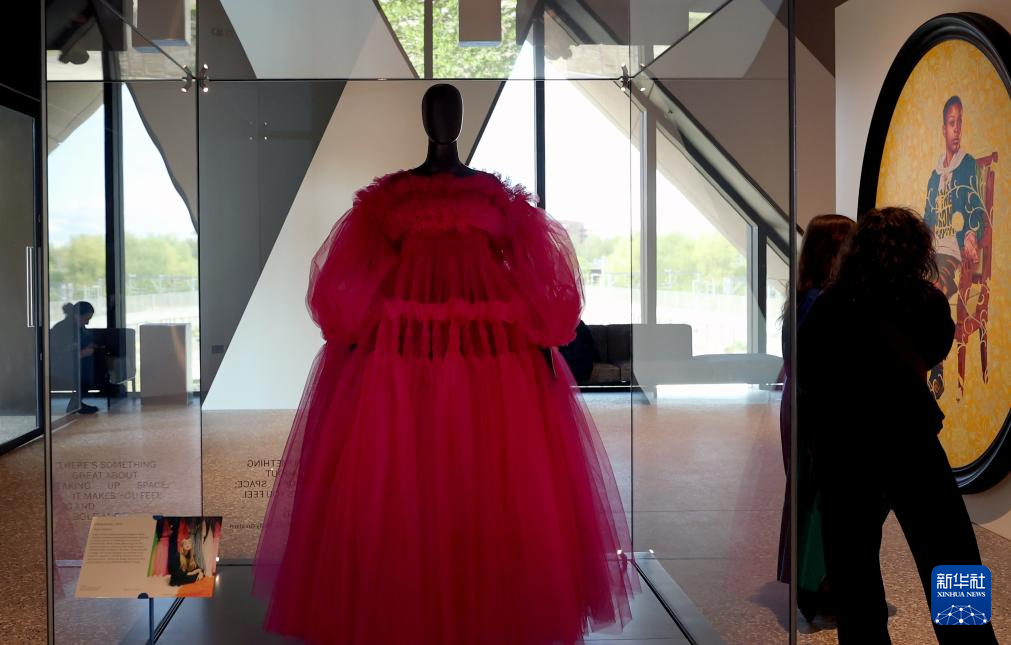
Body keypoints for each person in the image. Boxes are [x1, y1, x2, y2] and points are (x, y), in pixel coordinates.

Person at [253, 84, 636, 645]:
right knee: (407, 464)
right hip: (405, 347)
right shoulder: (391, 198)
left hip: (487, 349)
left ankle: (488, 598)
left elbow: (540, 259)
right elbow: (349, 270)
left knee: (487, 465)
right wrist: (351, 333)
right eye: (435, 112)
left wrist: (543, 333)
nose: (443, 121)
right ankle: (411, 597)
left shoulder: (493, 197)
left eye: (450, 111)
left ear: (459, 120)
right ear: (423, 119)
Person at [798, 207, 996, 644]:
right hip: (910, 444)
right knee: (953, 559)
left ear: (857, 249)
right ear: (917, 251)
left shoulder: (829, 305)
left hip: (845, 452)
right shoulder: (925, 302)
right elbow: (936, 348)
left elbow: (809, 371)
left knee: (854, 576)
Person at [776, 214, 855, 622]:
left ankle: (814, 586)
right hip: (818, 409)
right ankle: (820, 587)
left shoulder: (803, 298)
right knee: (822, 499)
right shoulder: (823, 302)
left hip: (801, 403)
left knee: (809, 495)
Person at [923, 95, 986, 400]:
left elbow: (977, 209)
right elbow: (927, 220)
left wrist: (972, 235)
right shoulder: (935, 176)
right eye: (952, 123)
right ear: (943, 128)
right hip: (933, 252)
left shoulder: (968, 165)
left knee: (933, 286)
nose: (957, 128)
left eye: (960, 122)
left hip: (953, 253)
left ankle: (935, 369)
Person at [49, 301, 99, 414]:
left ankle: (76, 402)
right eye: (86, 319)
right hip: (61, 366)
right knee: (89, 369)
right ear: (77, 315)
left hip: (75, 363)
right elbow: (58, 354)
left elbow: (82, 343)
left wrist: (89, 347)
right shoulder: (61, 329)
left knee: (94, 364)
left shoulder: (80, 328)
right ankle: (75, 403)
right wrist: (82, 353)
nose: (87, 322)